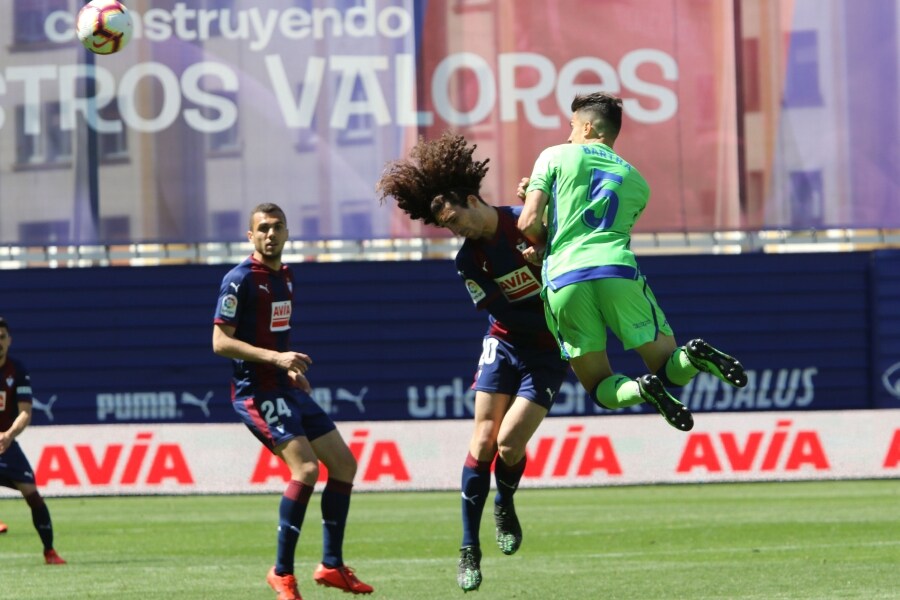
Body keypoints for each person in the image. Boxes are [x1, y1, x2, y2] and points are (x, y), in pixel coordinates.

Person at [376, 132, 569, 592]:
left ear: (470, 198)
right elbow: (503, 311)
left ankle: (505, 500)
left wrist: (546, 258)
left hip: (546, 351)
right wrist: (539, 276)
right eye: (447, 227)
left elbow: (569, 250)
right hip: (504, 344)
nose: (455, 231)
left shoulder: (526, 222)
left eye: (456, 219)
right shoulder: (468, 262)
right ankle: (468, 547)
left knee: (508, 445)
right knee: (483, 440)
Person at [518, 92, 747, 431]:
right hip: (616, 270)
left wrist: (541, 241)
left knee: (599, 386)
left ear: (588, 127)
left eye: (571, 126)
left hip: (565, 277)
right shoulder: (637, 183)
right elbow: (595, 224)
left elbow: (527, 223)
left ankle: (640, 390)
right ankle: (694, 356)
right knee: (671, 366)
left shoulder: (554, 155)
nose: (568, 135)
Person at [212, 203, 373, 600]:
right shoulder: (239, 279)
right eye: (262, 228)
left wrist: (288, 370)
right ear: (250, 236)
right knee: (305, 470)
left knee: (344, 465)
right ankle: (281, 573)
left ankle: (331, 565)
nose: (270, 234)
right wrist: (276, 360)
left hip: (282, 387)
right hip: (255, 392)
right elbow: (220, 342)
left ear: (287, 233)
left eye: (277, 227)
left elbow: (272, 336)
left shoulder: (285, 277)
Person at [0, 317, 66, 565]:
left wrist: (8, 435)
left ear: (9, 341)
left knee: (32, 494)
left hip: (6, 442)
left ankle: (49, 551)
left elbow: (25, 412)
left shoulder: (17, 371)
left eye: (2, 337)